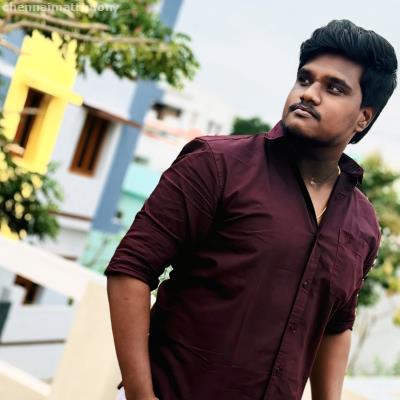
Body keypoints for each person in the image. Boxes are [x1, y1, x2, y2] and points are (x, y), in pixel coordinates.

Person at [105, 19, 397, 400]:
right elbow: (131, 268)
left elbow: (335, 325)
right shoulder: (215, 164)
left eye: (334, 88)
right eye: (305, 79)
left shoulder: (363, 225)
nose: (309, 94)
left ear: (364, 117)